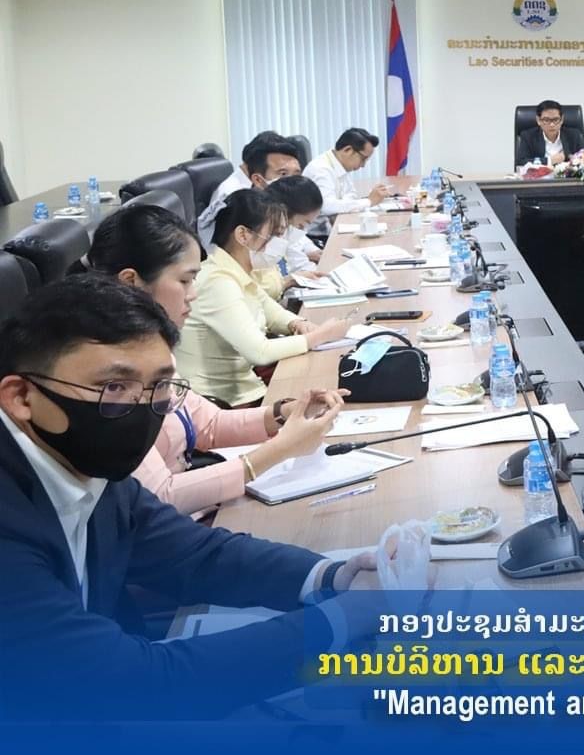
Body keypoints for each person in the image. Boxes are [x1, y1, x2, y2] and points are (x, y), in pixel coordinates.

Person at [0, 275, 390, 718]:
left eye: (160, 386)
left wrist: (333, 577)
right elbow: (134, 683)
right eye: (114, 387)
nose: (142, 408)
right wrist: (343, 619)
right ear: (22, 397)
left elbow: (196, 555)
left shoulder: (83, 462)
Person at [84, 205, 344, 515]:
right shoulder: (106, 376)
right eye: (185, 281)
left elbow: (209, 424)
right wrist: (281, 449)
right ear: (131, 281)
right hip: (166, 526)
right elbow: (161, 496)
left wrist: (284, 414)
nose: (193, 294)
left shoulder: (152, 345)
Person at [176, 190, 351, 408]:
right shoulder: (217, 281)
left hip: (245, 385)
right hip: (222, 403)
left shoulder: (236, 268)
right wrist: (319, 336)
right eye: (275, 235)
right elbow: (259, 352)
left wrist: (297, 322)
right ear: (243, 235)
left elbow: (269, 310)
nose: (281, 243)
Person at [196, 131, 303, 246]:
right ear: (257, 178)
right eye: (283, 174)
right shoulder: (234, 197)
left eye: (296, 174)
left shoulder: (262, 187)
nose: (292, 181)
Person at [254, 175, 325, 299]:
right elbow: (258, 293)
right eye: (301, 225)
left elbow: (300, 264)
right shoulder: (258, 244)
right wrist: (289, 281)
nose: (301, 231)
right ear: (283, 214)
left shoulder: (283, 238)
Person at [302, 127, 391, 215]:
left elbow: (351, 194)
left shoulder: (340, 165)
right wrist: (369, 201)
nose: (363, 165)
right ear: (347, 150)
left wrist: (345, 204)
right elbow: (327, 207)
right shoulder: (321, 169)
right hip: (319, 223)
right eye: (363, 159)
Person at [519, 99, 584, 166]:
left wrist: (575, 159)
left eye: (555, 120)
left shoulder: (574, 135)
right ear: (538, 120)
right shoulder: (528, 136)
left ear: (562, 119)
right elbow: (521, 161)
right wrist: (550, 160)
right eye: (546, 120)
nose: (552, 124)